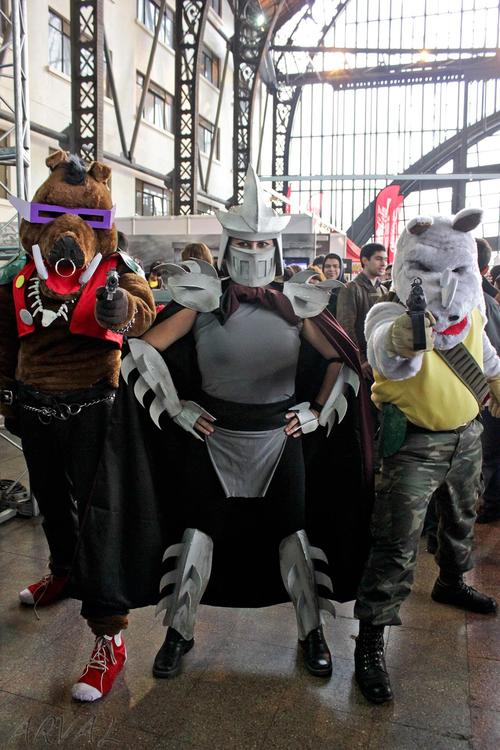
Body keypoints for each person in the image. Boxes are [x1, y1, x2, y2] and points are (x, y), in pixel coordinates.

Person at [73, 166, 374, 700]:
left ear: (274, 247)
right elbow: (143, 350)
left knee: (294, 539)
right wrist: (177, 407)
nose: (254, 250)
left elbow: (342, 361)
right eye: (245, 242)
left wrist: (315, 411)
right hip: (214, 440)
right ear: (230, 245)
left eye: (262, 242)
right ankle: (179, 633)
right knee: (197, 538)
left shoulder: (298, 304)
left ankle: (312, 632)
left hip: (280, 440)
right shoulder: (202, 299)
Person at [0, 151, 156, 695]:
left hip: (94, 406)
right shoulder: (19, 274)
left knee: (99, 514)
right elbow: (4, 336)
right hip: (35, 405)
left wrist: (124, 311)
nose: (67, 232)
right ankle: (64, 571)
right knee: (49, 498)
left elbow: (145, 310)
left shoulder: (117, 268)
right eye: (51, 217)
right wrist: (7, 394)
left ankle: (110, 633)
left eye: (87, 218)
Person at [353, 210, 500, 705]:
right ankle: (371, 638)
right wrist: (406, 337)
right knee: (396, 542)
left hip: (466, 436)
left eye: (458, 270)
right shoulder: (387, 312)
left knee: (461, 519)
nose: (448, 283)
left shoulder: (472, 310)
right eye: (433, 272)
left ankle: (452, 581)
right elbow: (386, 355)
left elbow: (486, 355)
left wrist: (497, 381)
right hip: (413, 445)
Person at [336, 243, 387, 381]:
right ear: (365, 260)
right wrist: (360, 359)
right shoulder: (350, 288)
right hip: (362, 364)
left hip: (381, 360)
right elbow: (345, 327)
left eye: (385, 259)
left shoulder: (384, 290)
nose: (383, 263)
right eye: (378, 259)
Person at [476, 238, 500, 523]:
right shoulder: (490, 303)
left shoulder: (483, 305)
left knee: (490, 453)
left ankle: (491, 505)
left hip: (485, 393)